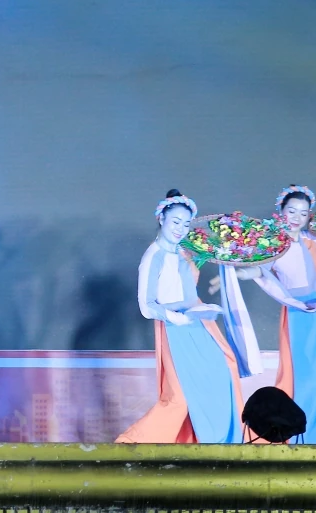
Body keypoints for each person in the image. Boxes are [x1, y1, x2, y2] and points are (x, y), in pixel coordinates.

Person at [211, 185, 316, 444]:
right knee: (306, 378)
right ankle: (306, 438)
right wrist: (237, 274)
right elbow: (260, 269)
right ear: (280, 211)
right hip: (300, 315)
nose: (297, 218)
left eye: (303, 213)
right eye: (292, 211)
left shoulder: (309, 239)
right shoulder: (275, 245)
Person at [116, 190, 244, 444]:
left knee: (225, 371)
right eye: (175, 222)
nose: (181, 229)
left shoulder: (185, 252)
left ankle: (220, 443)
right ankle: (132, 443)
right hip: (175, 329)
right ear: (161, 218)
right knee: (180, 398)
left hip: (200, 323)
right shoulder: (153, 257)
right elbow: (146, 306)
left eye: (186, 224)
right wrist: (177, 318)